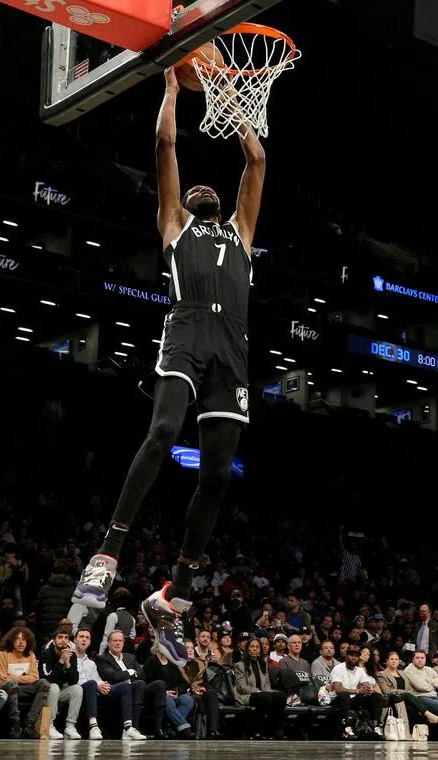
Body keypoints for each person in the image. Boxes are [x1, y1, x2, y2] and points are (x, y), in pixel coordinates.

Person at [72, 66, 266, 667]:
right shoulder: (174, 226)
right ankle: (108, 550)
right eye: (191, 190)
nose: (202, 190)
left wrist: (234, 103)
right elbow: (165, 144)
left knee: (217, 476)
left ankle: (176, 590)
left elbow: (255, 160)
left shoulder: (241, 229)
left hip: (232, 349)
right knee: (160, 432)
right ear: (181, 204)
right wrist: (171, 93)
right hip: (186, 333)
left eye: (207, 190)